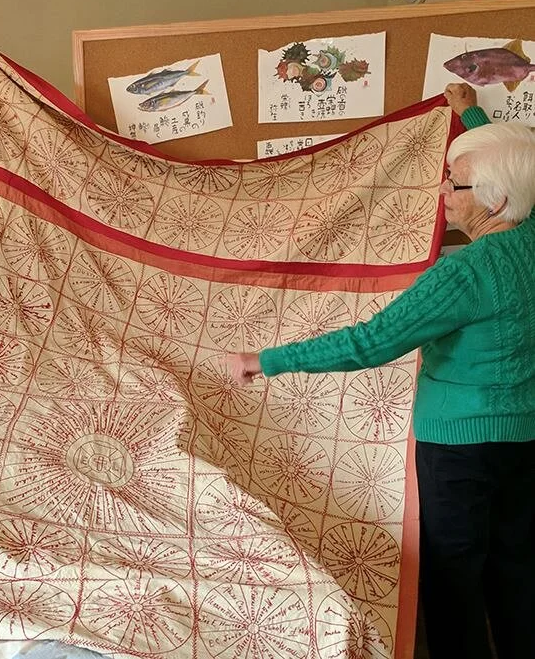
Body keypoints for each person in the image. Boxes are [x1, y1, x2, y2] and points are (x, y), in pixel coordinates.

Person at [225, 109, 535, 659]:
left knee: (454, 579)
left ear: (496, 202)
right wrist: (470, 113)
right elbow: (521, 168)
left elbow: (371, 342)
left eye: (455, 182)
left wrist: (265, 359)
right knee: (518, 567)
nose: (443, 188)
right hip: (525, 440)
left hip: (461, 449)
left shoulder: (466, 273)